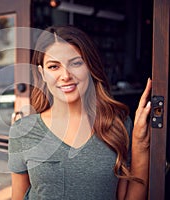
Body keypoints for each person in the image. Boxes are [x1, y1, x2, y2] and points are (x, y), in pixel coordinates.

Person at [8, 25, 151, 200]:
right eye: (54, 66)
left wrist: (140, 145)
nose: (65, 75)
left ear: (89, 67)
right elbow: (18, 196)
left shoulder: (118, 125)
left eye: (76, 63)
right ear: (42, 73)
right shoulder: (23, 131)